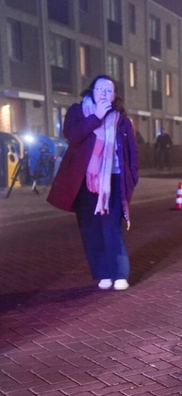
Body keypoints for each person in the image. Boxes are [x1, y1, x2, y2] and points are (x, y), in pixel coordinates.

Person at [47, 75, 139, 290]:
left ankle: (120, 274)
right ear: (92, 91)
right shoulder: (78, 112)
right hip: (84, 182)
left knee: (112, 228)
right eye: (100, 89)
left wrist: (132, 176)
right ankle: (103, 273)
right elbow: (73, 135)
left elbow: (132, 150)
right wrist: (96, 116)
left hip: (113, 180)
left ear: (115, 95)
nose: (104, 94)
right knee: (91, 229)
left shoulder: (122, 119)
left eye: (109, 90)